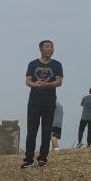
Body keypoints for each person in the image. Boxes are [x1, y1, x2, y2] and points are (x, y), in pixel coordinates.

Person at [22, 40, 63, 168]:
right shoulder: (33, 64)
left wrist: (47, 85)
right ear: (41, 49)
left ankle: (42, 158)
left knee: (46, 131)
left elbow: (59, 81)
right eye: (47, 47)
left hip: (49, 102)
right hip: (34, 102)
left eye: (52, 47)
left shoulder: (57, 64)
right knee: (32, 131)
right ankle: (28, 159)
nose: (50, 49)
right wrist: (35, 85)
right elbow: (28, 80)